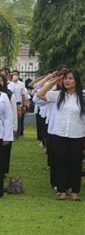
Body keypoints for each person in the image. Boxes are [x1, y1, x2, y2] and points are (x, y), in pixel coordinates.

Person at [36, 70, 84, 201]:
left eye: (70, 79)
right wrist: (52, 82)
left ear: (76, 81)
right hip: (60, 134)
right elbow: (40, 95)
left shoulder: (82, 97)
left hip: (77, 134)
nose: (67, 81)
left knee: (75, 164)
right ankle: (62, 191)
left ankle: (75, 192)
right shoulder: (58, 95)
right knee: (61, 163)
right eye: (65, 79)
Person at [0, 74, 18, 176]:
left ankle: (3, 169)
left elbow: (13, 112)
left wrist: (14, 128)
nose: (0, 83)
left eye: (2, 81)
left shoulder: (9, 95)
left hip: (7, 126)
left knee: (5, 149)